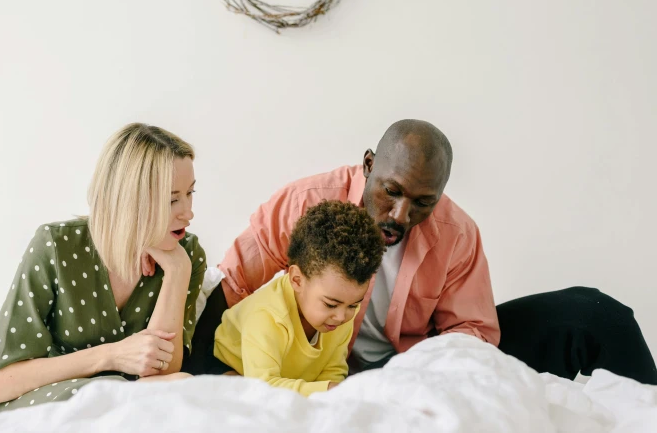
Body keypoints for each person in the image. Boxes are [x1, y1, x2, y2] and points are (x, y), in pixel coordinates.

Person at [190, 119, 657, 384]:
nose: (399, 214)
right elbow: (230, 288)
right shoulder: (305, 204)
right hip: (308, 368)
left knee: (596, 314)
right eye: (390, 191)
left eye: (422, 202)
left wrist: (417, 382)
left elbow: (473, 332)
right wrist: (213, 377)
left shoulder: (456, 233)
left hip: (409, 366)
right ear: (369, 164)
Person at [0, 124, 207, 425]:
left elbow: (160, 375)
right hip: (43, 399)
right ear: (129, 200)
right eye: (173, 200)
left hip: (128, 403)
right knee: (133, 396)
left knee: (176, 386)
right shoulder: (57, 246)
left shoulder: (186, 256)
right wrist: (111, 355)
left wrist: (177, 272)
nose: (188, 212)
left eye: (190, 193)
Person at [210, 201, 384, 395]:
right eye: (330, 304)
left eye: (354, 305)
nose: (342, 316)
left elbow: (333, 369)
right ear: (297, 280)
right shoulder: (267, 316)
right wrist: (325, 389)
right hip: (224, 368)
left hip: (285, 378)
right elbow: (262, 387)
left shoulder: (340, 309)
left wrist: (332, 390)